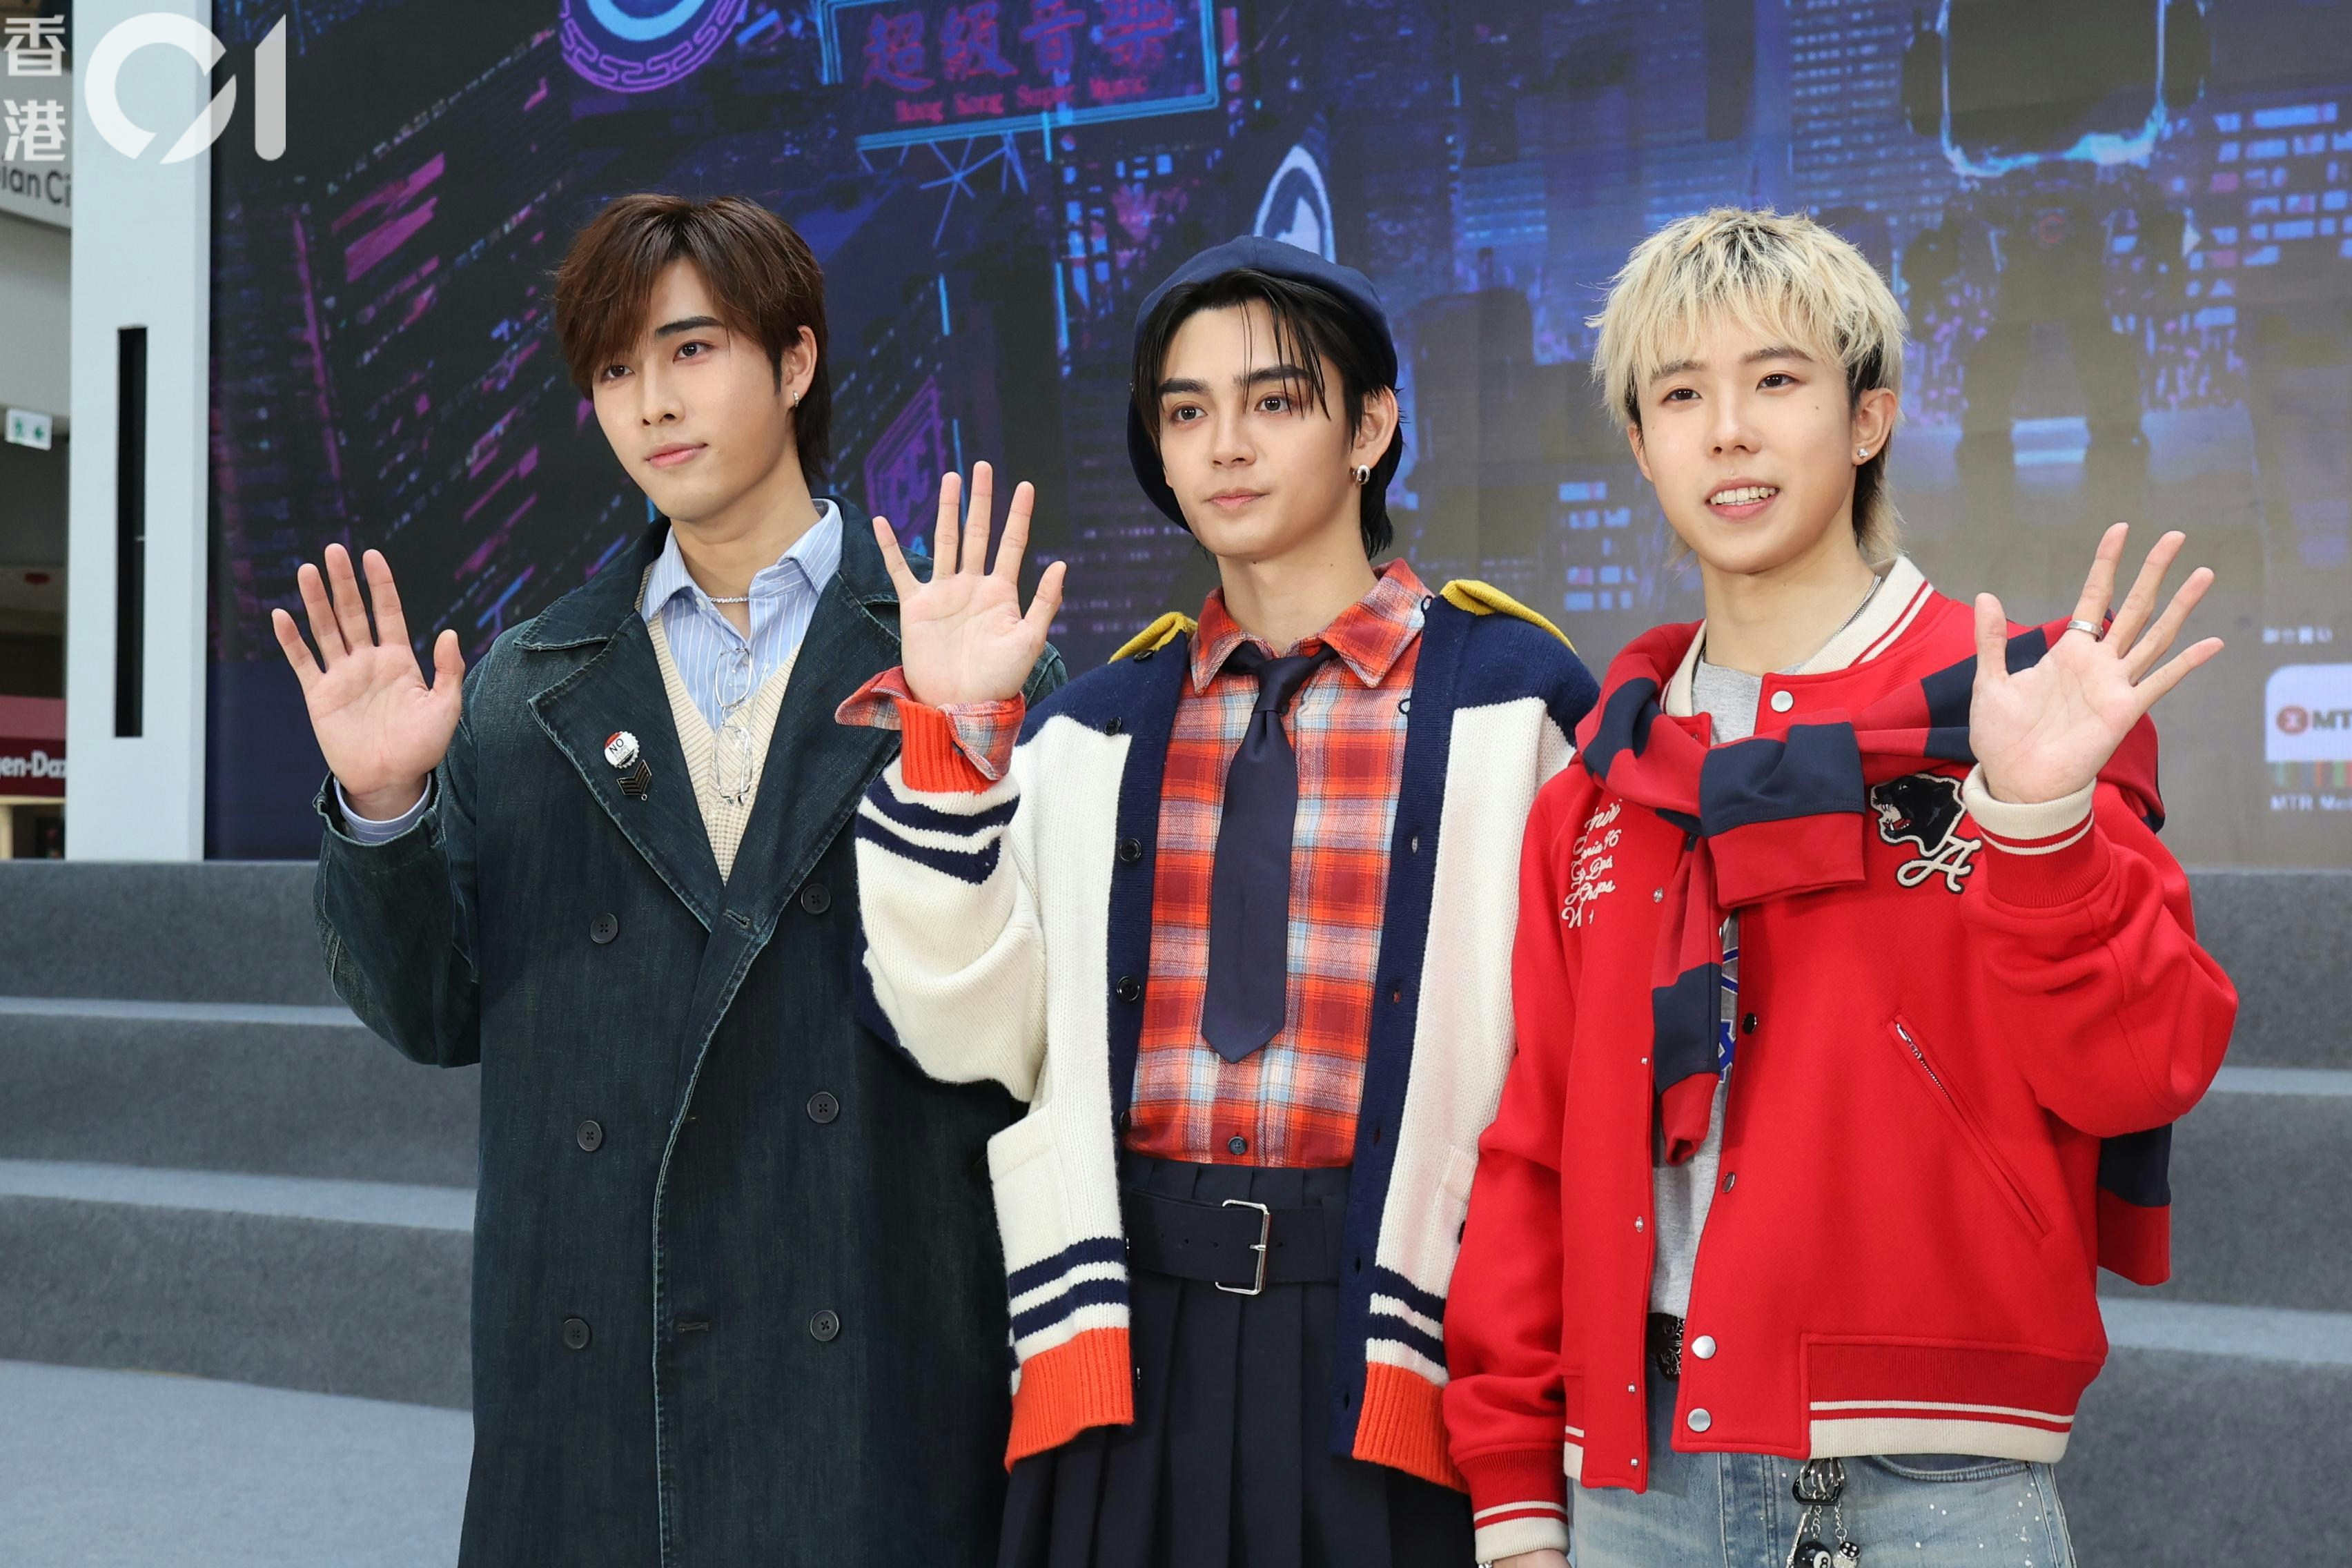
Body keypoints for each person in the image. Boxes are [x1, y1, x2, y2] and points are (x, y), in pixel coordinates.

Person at [1442, 207, 2240, 1568]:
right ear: (1640, 443)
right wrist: (1517, 1493)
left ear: (1869, 417)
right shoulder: (1603, 786)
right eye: (1680, 395)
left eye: (1776, 380)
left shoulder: (2008, 715)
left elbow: (2142, 1068)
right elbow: (1535, 1149)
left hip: (1937, 1483)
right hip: (1639, 1480)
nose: (1728, 432)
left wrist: (2041, 820)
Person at [273, 193, 1061, 1565]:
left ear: (796, 361)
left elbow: (1041, 1016)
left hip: (874, 1327)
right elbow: (430, 1011)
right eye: (614, 368)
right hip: (602, 1354)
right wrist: (385, 807)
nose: (652, 402)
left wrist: (971, 723)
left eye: (692, 349)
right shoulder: (526, 688)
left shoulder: (964, 660)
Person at [835, 235, 1598, 1567]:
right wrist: (950, 744)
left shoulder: (1518, 708)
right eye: (1186, 413)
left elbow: (1580, 1074)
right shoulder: (1091, 730)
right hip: (1129, 1343)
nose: (1225, 446)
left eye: (1275, 401)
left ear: (1371, 428)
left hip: (1399, 1336)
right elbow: (962, 1033)